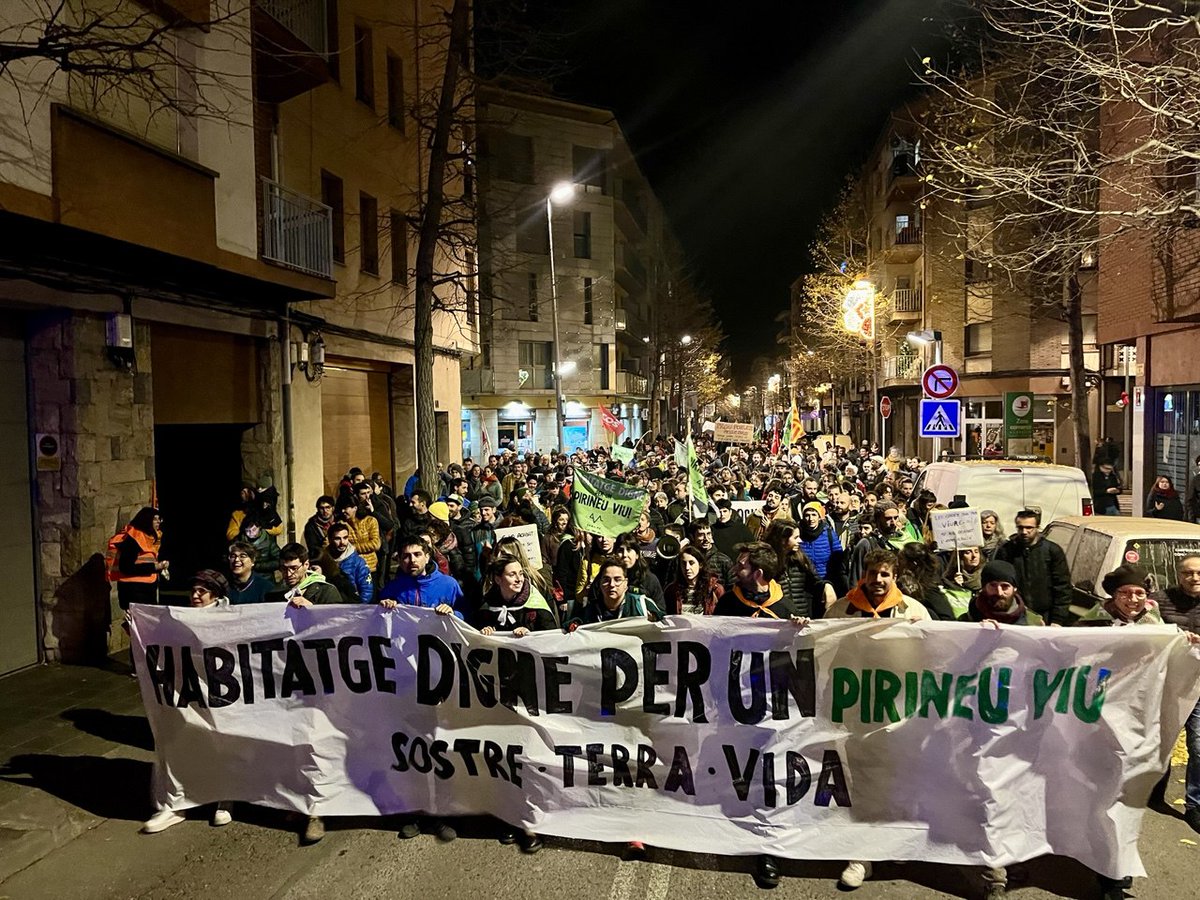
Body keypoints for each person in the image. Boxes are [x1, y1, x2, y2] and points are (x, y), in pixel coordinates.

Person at [141, 569, 234, 835]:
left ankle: (224, 797)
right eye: (193, 590)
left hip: (218, 695)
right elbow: (156, 644)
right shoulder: (178, 618)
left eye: (201, 592)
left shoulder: (230, 618)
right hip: (185, 693)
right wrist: (136, 626)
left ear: (214, 594)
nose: (195, 595)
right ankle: (175, 803)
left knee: (220, 745)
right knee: (177, 745)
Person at [1160, 554, 1200, 833]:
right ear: (1178, 575)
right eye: (1188, 573)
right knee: (1159, 742)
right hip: (1166, 684)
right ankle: (1152, 788)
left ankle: (1194, 804)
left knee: (1198, 746)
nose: (1194, 578)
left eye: (1199, 573)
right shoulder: (1159, 600)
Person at [994, 509, 1072, 626]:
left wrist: (1057, 620)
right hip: (1014, 614)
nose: (1024, 531)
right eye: (1020, 528)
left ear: (1037, 528)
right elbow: (997, 582)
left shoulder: (1052, 551)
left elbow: (1062, 587)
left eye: (1029, 528)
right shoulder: (1006, 551)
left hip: (1046, 616)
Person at [377, 537, 467, 619]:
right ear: (399, 560)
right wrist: (384, 606)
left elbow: (466, 616)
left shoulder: (449, 584)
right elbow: (378, 619)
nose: (412, 560)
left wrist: (453, 613)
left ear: (427, 557)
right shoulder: (393, 587)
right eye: (406, 556)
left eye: (417, 554)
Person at [566, 557, 666, 629]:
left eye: (617, 580)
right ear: (600, 583)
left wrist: (655, 618)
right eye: (606, 580)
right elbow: (569, 625)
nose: (612, 584)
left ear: (626, 583)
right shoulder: (590, 610)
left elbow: (665, 622)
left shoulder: (642, 605)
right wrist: (574, 625)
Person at [763, 520, 833, 618]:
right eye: (795, 537)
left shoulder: (800, 558)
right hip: (779, 620)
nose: (800, 541)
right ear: (782, 539)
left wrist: (827, 586)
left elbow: (815, 580)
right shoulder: (767, 562)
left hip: (803, 617)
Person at [110, 506, 168, 609]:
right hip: (134, 592)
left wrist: (160, 567)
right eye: (155, 519)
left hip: (145, 589)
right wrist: (154, 567)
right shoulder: (133, 539)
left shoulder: (149, 537)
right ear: (146, 520)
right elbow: (126, 567)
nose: (159, 522)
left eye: (159, 519)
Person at [966, 559, 1044, 626]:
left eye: (1005, 586)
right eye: (993, 585)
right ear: (984, 587)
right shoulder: (966, 621)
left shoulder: (1033, 623)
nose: (999, 592)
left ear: (1015, 588)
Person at [797, 501, 847, 595]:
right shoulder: (798, 535)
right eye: (807, 515)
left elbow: (838, 559)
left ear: (819, 517)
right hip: (805, 585)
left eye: (814, 515)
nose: (810, 519)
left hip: (826, 582)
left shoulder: (829, 534)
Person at [275, 544, 344, 609]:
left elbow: (337, 618)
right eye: (284, 569)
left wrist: (312, 609)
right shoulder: (275, 594)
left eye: (294, 568)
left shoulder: (327, 591)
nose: (288, 574)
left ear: (306, 565)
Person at [664, 544, 724, 615]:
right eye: (683, 563)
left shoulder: (715, 589)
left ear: (700, 565)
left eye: (691, 563)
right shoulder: (672, 590)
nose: (687, 568)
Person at [613, 532, 666, 608]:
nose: (625, 555)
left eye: (629, 550)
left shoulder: (649, 580)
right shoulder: (606, 577)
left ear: (637, 555)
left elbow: (661, 610)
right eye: (620, 551)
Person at [327, 522, 374, 603]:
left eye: (345, 538)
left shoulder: (358, 562)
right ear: (330, 539)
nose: (342, 542)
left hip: (351, 608)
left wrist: (358, 610)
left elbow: (367, 590)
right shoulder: (324, 560)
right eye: (337, 539)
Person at [940, 546, 985, 619]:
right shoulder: (948, 579)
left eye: (976, 552)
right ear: (960, 557)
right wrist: (955, 586)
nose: (974, 556)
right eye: (968, 552)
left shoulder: (985, 575)